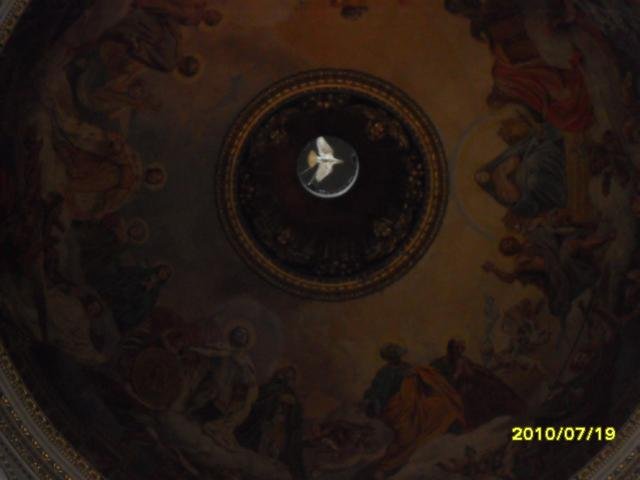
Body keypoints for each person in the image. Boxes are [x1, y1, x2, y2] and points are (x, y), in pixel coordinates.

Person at [361, 343, 464, 479]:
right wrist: (371, 400)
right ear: (388, 358)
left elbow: (424, 383)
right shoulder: (384, 373)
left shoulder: (409, 368)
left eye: (396, 355)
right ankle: (386, 467)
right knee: (406, 436)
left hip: (414, 406)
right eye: (392, 356)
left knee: (439, 408)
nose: (395, 358)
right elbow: (376, 391)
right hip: (397, 409)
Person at [482, 224, 612, 318]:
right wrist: (494, 269)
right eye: (506, 247)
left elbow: (551, 235)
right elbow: (510, 278)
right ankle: (604, 241)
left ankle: (605, 238)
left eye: (508, 242)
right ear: (508, 253)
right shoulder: (520, 262)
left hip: (558, 255)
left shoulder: (530, 239)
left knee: (572, 242)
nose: (510, 245)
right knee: (569, 250)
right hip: (557, 271)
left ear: (513, 239)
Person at [475, 120, 567, 219]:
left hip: (540, 158)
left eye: (508, 133)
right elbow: (517, 199)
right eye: (507, 135)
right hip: (535, 185)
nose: (508, 138)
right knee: (533, 180)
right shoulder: (500, 190)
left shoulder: (500, 167)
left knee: (532, 163)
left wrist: (505, 172)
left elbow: (516, 157)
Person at [186, 326, 259, 447]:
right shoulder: (223, 349)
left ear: (246, 342)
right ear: (232, 337)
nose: (240, 338)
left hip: (225, 395)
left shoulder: (245, 361)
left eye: (243, 336)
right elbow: (210, 353)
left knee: (215, 414)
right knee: (198, 403)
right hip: (213, 387)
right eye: (238, 335)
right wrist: (194, 350)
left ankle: (211, 428)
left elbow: (249, 382)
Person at [431, 339, 526, 429]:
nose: (460, 351)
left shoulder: (463, 360)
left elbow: (475, 370)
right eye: (457, 348)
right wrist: (458, 376)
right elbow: (457, 377)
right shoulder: (451, 362)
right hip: (467, 385)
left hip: (475, 382)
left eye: (461, 348)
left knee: (493, 387)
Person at [236, 366, 306, 479]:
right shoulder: (270, 388)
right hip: (263, 427)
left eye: (291, 378)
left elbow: (295, 416)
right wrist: (278, 399)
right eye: (287, 376)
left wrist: (292, 405)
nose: (288, 380)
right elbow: (259, 403)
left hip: (277, 430)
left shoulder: (291, 394)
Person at [91, 263, 172, 333]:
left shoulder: (156, 291)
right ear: (159, 268)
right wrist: (140, 283)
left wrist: (146, 293)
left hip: (135, 301)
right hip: (128, 289)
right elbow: (132, 274)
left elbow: (149, 304)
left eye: (166, 274)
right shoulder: (145, 272)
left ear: (166, 278)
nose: (163, 273)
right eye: (163, 270)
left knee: (138, 310)